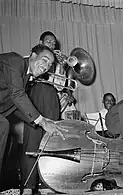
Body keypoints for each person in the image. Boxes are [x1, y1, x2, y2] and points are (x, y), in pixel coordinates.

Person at [0, 44, 66, 189]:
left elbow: (13, 106)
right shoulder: (15, 61)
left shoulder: (25, 79)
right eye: (44, 60)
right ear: (33, 55)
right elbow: (17, 96)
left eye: (50, 64)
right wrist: (41, 121)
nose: (46, 66)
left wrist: (42, 119)